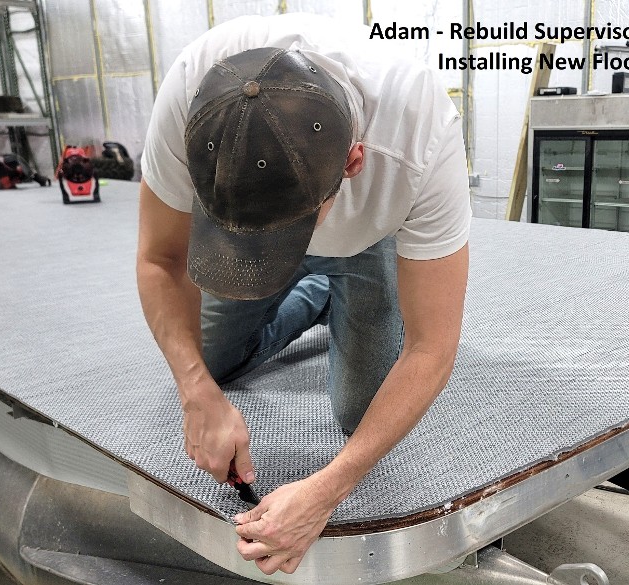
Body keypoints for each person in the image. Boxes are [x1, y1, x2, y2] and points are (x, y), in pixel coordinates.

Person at [136, 12, 471, 576]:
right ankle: (315, 293)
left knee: (362, 412)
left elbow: (432, 347)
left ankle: (333, 284)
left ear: (353, 161)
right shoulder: (190, 96)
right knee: (207, 360)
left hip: (370, 239)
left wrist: (327, 490)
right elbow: (158, 258)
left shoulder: (419, 140)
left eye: (287, 233)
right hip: (237, 225)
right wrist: (196, 391)